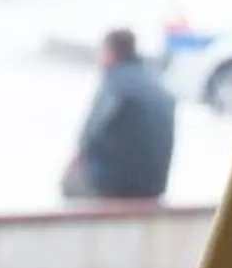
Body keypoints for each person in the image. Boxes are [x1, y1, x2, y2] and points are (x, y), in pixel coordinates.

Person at [63, 27, 177, 201]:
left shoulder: (115, 84)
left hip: (118, 185)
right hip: (156, 184)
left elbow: (91, 133)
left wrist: (79, 158)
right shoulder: (155, 82)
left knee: (70, 182)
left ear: (110, 53)